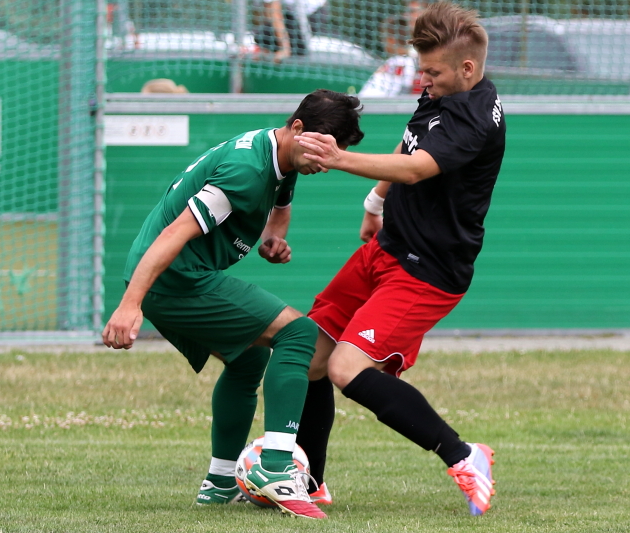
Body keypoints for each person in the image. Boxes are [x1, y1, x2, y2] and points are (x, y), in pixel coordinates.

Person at [101, 89, 364, 519]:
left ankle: (221, 483)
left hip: (177, 276)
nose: (327, 162)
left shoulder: (281, 154)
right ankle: (276, 468)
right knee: (299, 333)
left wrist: (273, 239)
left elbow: (280, 206)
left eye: (335, 152)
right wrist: (130, 304)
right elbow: (174, 233)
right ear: (298, 128)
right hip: (175, 279)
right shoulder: (246, 171)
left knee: (247, 360)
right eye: (323, 150)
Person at [293, 2, 506, 516]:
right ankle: (310, 482)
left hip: (426, 272)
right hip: (387, 249)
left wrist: (338, 157)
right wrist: (375, 203)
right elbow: (410, 145)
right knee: (309, 355)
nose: (423, 80)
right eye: (422, 69)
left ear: (467, 69)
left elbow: (417, 168)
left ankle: (464, 455)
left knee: (346, 367)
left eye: (432, 73)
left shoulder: (472, 117)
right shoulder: (446, 89)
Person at [358, 16, 421, 97]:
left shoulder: (396, 62)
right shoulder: (417, 59)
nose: (383, 44)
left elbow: (371, 95)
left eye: (384, 39)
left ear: (391, 40)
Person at [255, 0, 330, 62]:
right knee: (262, 36)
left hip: (314, 14)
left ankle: (296, 48)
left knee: (299, 47)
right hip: (295, 16)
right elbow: (269, 14)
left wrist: (285, 48)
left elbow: (275, 15)